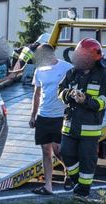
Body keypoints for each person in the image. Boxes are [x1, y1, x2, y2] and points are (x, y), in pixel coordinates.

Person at [58, 38, 106, 200]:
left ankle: (83, 192)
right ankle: (77, 182)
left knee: (87, 160)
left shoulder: (104, 77)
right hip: (69, 124)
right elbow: (60, 90)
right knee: (66, 154)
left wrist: (86, 100)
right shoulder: (72, 73)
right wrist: (68, 94)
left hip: (89, 128)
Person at [29, 43, 73, 195]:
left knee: (58, 150)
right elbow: (36, 94)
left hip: (60, 116)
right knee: (46, 151)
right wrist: (33, 115)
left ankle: (70, 172)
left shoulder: (66, 67)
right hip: (43, 115)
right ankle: (48, 186)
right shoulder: (39, 70)